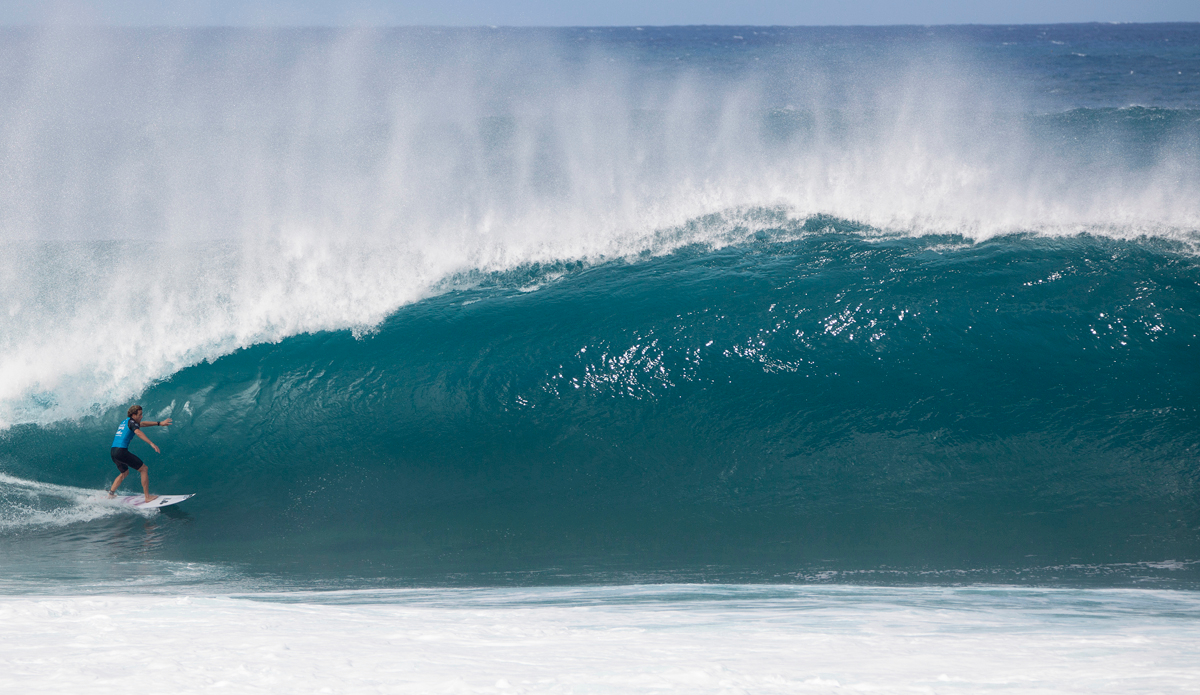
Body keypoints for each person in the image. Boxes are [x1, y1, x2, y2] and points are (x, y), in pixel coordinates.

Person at [108, 404, 172, 502]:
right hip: (121, 451)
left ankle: (111, 494)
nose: (141, 416)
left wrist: (160, 423)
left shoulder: (125, 422)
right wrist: (151, 443)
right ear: (133, 415)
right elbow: (138, 432)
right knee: (144, 469)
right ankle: (147, 497)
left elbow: (143, 424)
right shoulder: (132, 423)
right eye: (140, 414)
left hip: (113, 451)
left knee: (124, 473)